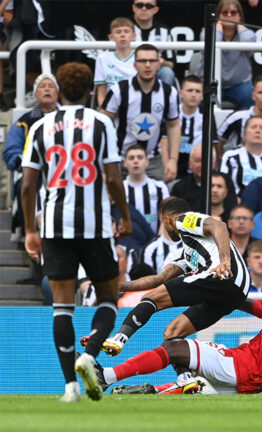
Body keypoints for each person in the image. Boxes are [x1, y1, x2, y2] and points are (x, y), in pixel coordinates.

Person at [20, 62, 132, 402]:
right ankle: (90, 353)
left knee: (62, 307)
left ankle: (70, 387)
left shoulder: (40, 126)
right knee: (110, 296)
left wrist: (29, 229)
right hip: (94, 225)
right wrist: (123, 215)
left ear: (61, 89)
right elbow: (113, 178)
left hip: (54, 226)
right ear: (87, 90)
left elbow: (27, 185)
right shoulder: (101, 123)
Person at [85, 197, 250, 366]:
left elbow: (219, 226)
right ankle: (185, 378)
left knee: (152, 298)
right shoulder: (190, 252)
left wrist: (224, 261)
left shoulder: (184, 219)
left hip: (223, 273)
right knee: (172, 333)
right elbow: (159, 278)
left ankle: (119, 337)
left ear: (167, 218)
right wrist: (117, 286)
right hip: (235, 291)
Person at [95, 294, 262, 395]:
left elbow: (239, 300)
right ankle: (152, 391)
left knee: (174, 346)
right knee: (194, 390)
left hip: (235, 365)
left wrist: (215, 288)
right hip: (244, 390)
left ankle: (107, 376)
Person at [101, 43, 181, 183]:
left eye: (152, 61)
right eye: (142, 61)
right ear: (135, 65)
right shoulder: (119, 90)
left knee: (159, 201)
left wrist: (173, 160)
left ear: (159, 64)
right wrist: (107, 160)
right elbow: (102, 123)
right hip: (120, 159)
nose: (148, 65)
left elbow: (173, 126)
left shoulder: (170, 93)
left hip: (153, 160)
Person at [3, 73, 59, 242]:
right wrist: (30, 164)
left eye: (51, 86)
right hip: (35, 174)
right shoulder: (24, 122)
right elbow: (11, 152)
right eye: (42, 86)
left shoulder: (72, 119)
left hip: (64, 173)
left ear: (58, 92)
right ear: (35, 93)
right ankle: (32, 232)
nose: (47, 89)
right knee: (25, 184)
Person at [211, 0, 258, 110]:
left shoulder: (247, 34)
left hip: (239, 85)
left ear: (239, 15)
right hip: (212, 84)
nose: (229, 15)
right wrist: (217, 25)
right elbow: (213, 46)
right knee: (199, 96)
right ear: (218, 15)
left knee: (250, 95)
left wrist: (240, 24)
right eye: (224, 12)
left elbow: (247, 43)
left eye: (233, 13)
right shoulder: (207, 33)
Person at [220, 116, 262, 196]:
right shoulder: (230, 156)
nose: (258, 131)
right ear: (244, 133)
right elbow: (222, 182)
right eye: (253, 127)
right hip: (236, 204)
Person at [123, 145, 169, 234]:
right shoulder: (120, 189)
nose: (136, 161)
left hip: (154, 239)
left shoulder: (160, 188)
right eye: (131, 158)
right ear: (125, 163)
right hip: (128, 243)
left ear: (147, 162)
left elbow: (167, 217)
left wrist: (158, 242)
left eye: (140, 158)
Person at [130, 0, 176, 87]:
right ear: (133, 8)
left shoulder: (164, 30)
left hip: (156, 71)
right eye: (139, 5)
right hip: (129, 69)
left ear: (155, 10)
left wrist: (162, 62)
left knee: (167, 72)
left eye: (149, 6)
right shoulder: (124, 28)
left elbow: (171, 63)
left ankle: (163, 100)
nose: (144, 9)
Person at [94, 17, 136, 107]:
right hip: (110, 107)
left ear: (133, 36)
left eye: (126, 31)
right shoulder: (102, 58)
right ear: (111, 37)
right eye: (118, 32)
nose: (122, 35)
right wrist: (105, 111)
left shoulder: (141, 58)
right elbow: (101, 93)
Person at [171, 75, 205, 179]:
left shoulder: (207, 115)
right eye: (190, 90)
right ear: (181, 93)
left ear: (202, 96)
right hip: (174, 165)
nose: (193, 95)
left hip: (196, 169)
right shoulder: (171, 112)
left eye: (197, 91)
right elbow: (163, 142)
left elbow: (213, 146)